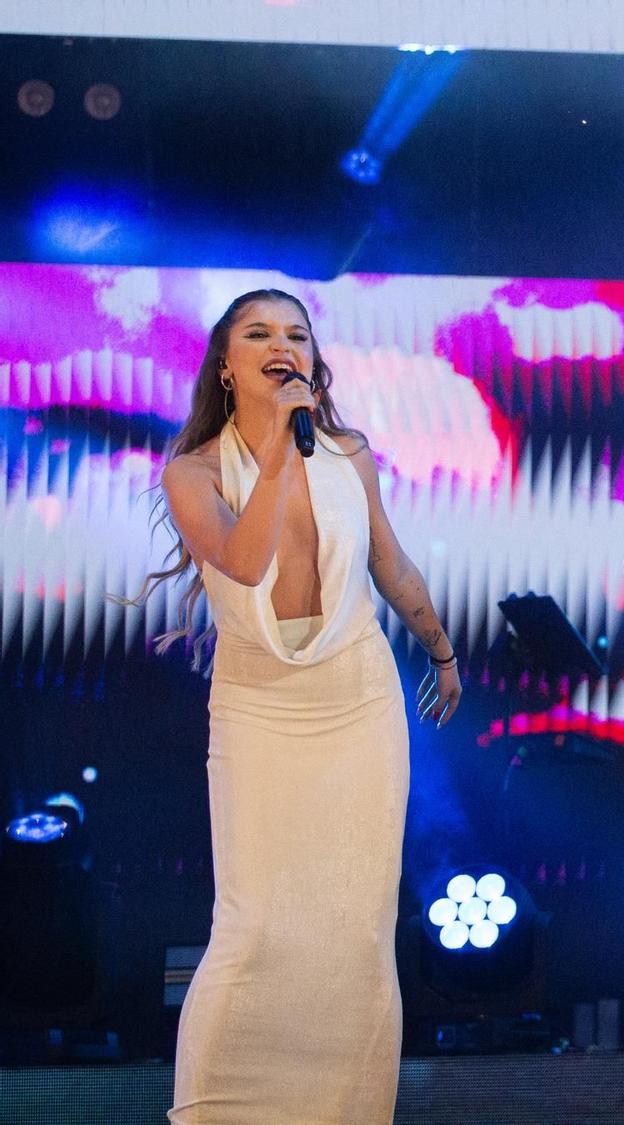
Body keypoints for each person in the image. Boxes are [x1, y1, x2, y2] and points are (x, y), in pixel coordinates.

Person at [126, 288, 462, 1122]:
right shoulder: (194, 472)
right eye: (260, 333)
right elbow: (243, 563)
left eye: (298, 335)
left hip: (357, 698)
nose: (284, 346)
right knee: (255, 926)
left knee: (355, 930)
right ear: (227, 364)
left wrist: (441, 648)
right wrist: (277, 449)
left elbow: (393, 566)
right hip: (261, 709)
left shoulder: (349, 454)